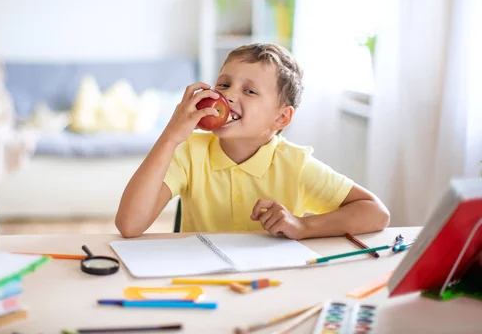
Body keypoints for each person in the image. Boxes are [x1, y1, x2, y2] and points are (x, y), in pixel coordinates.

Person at [116, 43, 390, 239]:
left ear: (281, 119)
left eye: (249, 90)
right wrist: (170, 137)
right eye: (223, 84)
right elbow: (129, 225)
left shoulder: (295, 164)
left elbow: (376, 213)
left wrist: (303, 226)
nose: (228, 96)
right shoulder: (189, 152)